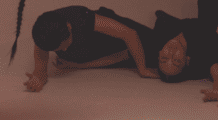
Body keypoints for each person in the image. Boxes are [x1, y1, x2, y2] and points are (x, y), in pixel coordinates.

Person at [23, 6, 160, 92]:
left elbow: (129, 34)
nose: (63, 51)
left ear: (69, 27)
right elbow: (40, 72)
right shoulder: (44, 36)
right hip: (99, 51)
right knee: (154, 62)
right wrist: (37, 80)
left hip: (114, 35)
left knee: (157, 45)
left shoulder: (81, 18)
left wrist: (142, 69)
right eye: (58, 49)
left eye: (64, 45)